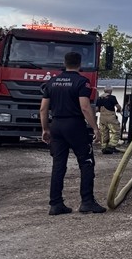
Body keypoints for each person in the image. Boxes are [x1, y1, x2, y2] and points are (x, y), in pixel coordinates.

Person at [39, 51, 105, 215]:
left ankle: (56, 204)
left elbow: (43, 109)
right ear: (79, 64)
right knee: (86, 162)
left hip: (57, 125)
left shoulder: (52, 82)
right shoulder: (82, 82)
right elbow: (85, 107)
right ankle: (87, 202)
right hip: (75, 125)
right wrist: (95, 128)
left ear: (65, 63)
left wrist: (45, 129)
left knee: (58, 165)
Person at [94, 87, 122, 154]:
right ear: (111, 91)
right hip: (111, 117)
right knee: (116, 131)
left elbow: (97, 109)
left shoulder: (99, 98)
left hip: (102, 118)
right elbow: (118, 107)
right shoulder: (112, 97)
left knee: (103, 133)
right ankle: (111, 146)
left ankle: (104, 148)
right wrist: (119, 110)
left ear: (104, 91)